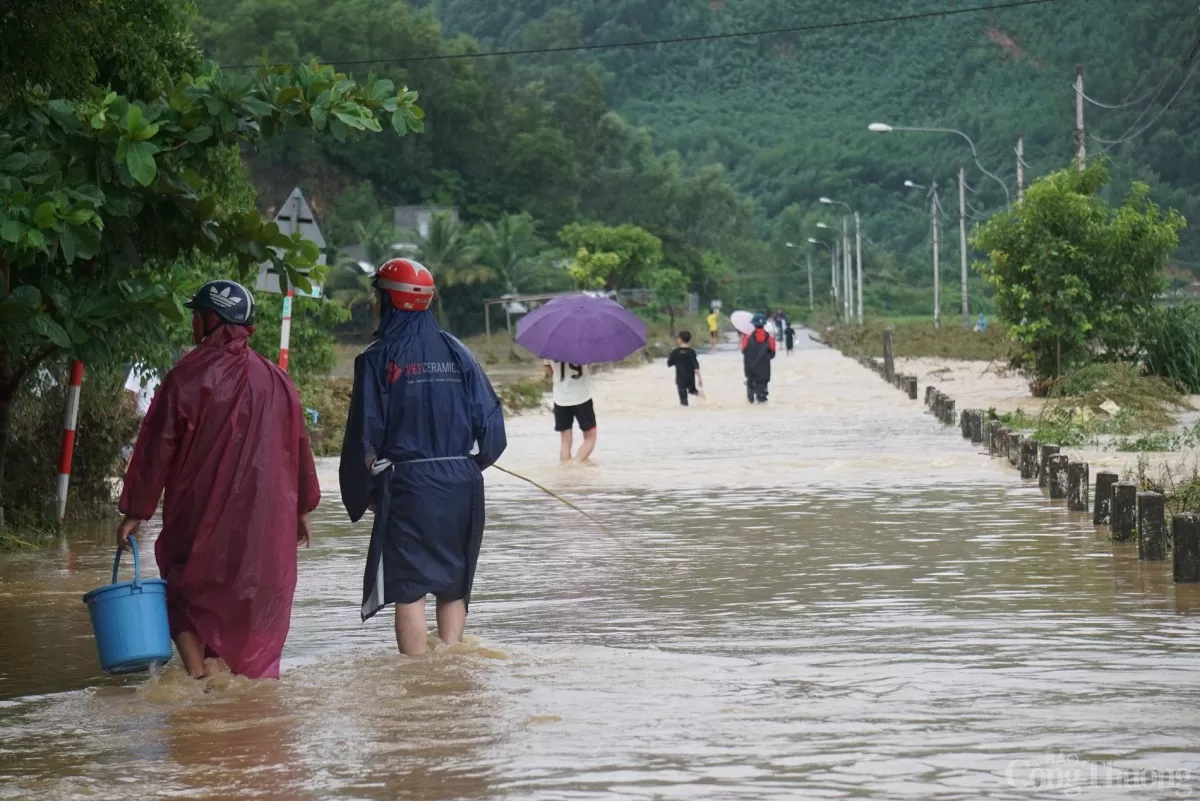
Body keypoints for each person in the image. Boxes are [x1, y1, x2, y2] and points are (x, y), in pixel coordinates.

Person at [117, 279, 321, 680]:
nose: (194, 322)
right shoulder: (278, 380)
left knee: (182, 592)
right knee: (246, 600)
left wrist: (134, 512)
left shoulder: (184, 378)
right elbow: (299, 450)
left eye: (197, 315)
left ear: (211, 320)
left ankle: (199, 680)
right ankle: (224, 684)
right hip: (264, 521)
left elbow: (156, 450)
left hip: (198, 518)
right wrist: (302, 510)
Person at [339, 258, 507, 657]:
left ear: (387, 300)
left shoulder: (377, 357)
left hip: (410, 486)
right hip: (463, 484)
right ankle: (452, 665)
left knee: (409, 588)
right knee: (454, 582)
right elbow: (494, 433)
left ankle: (416, 680)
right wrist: (464, 467)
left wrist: (367, 491)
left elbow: (363, 437)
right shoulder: (459, 352)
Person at [545, 358, 597, 464]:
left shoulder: (549, 350)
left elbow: (550, 370)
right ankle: (576, 464)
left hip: (560, 398)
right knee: (591, 436)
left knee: (565, 440)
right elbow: (589, 365)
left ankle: (565, 469)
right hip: (582, 397)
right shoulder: (584, 346)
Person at [741, 312, 776, 403]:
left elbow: (743, 351)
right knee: (762, 400)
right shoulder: (770, 339)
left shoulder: (747, 338)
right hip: (764, 373)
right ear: (764, 324)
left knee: (750, 400)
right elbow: (772, 355)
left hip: (751, 372)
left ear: (753, 324)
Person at [667, 330, 703, 406]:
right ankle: (704, 398)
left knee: (683, 400)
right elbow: (696, 365)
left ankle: (685, 412)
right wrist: (699, 378)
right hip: (690, 377)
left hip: (680, 378)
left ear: (680, 339)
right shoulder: (691, 351)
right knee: (692, 391)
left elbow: (669, 363)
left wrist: (672, 357)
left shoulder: (675, 352)